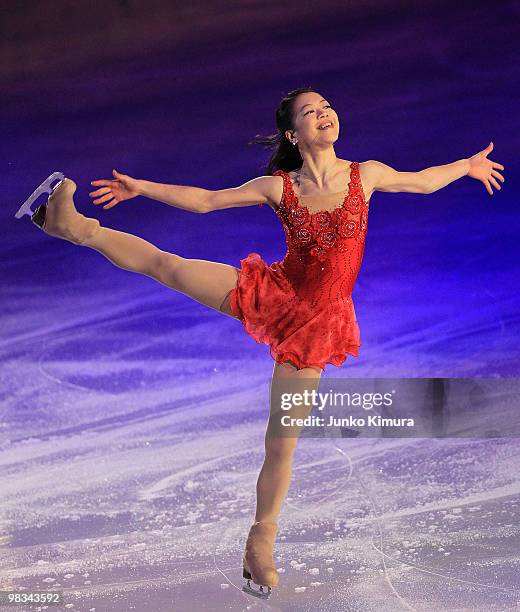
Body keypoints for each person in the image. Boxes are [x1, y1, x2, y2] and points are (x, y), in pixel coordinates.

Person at [18, 87, 505, 598]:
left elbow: (424, 182)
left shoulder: (367, 174)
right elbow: (207, 201)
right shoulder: (280, 187)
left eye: (327, 107)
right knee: (170, 266)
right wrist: (142, 186)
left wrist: (465, 165)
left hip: (319, 325)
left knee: (281, 441)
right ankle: (73, 226)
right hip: (273, 293)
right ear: (295, 134)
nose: (325, 114)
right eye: (311, 112)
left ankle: (260, 542)